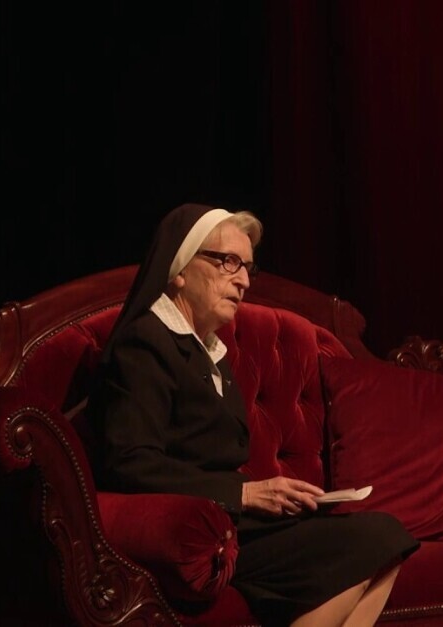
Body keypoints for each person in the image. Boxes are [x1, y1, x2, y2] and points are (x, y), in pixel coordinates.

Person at [86, 203, 419, 626]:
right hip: (198, 533)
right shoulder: (145, 344)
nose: (243, 280)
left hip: (233, 522)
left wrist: (276, 497)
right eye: (229, 262)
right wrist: (244, 494)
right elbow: (130, 463)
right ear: (180, 269)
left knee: (388, 544)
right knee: (377, 538)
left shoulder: (209, 351)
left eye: (247, 267)